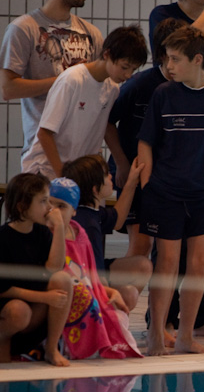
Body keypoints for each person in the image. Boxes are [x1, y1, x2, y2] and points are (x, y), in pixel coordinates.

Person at [137, 26, 204, 355]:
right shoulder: (164, 94)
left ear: (197, 60)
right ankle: (156, 333)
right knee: (167, 263)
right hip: (166, 192)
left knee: (199, 264)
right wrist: (147, 184)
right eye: (167, 59)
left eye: (175, 59)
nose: (168, 66)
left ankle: (185, 336)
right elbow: (145, 142)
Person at [1, 0, 102, 159]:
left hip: (84, 151)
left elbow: (99, 87)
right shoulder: (24, 28)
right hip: (43, 151)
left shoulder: (91, 33)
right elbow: (8, 88)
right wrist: (65, 81)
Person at [106, 17, 187, 256]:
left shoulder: (188, 87)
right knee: (142, 245)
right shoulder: (139, 84)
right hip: (134, 174)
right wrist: (121, 163)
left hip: (168, 179)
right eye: (171, 56)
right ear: (161, 54)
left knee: (168, 250)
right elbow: (107, 122)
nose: (174, 63)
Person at [22, 25, 147, 178]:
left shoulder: (112, 89)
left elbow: (103, 129)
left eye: (133, 70)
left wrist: (120, 162)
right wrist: (62, 177)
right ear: (107, 54)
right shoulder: (72, 80)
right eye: (124, 67)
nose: (128, 75)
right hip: (46, 169)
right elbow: (44, 133)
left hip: (76, 172)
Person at [47, 178, 142, 360]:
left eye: (61, 206)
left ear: (74, 211)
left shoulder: (79, 233)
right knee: (83, 296)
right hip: (59, 294)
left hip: (81, 291)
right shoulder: (43, 234)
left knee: (116, 314)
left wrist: (109, 291)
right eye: (49, 204)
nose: (54, 212)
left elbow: (87, 277)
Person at [61, 155, 151, 313]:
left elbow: (117, 219)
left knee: (142, 265)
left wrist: (131, 181)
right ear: (95, 189)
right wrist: (108, 294)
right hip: (83, 279)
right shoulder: (88, 225)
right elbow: (93, 273)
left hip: (91, 272)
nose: (111, 176)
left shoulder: (91, 212)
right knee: (129, 294)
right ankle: (106, 318)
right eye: (106, 174)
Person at [0, 173, 71, 366]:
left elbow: (55, 267)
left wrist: (59, 227)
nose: (49, 207)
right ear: (22, 206)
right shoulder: (4, 238)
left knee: (63, 279)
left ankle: (51, 348)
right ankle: (3, 340)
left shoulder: (42, 233)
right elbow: (4, 289)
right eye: (43, 201)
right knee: (19, 310)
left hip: (34, 315)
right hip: (11, 314)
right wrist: (45, 298)